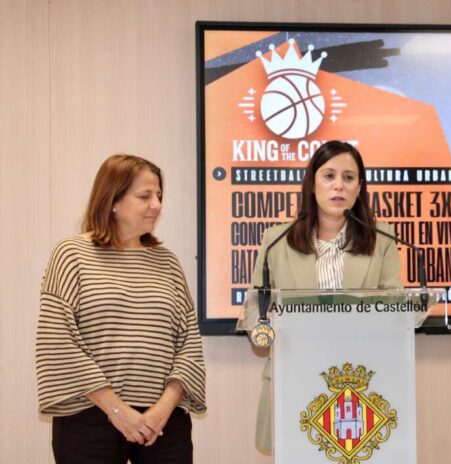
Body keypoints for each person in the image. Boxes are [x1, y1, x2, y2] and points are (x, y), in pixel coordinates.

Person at [36, 154, 206, 464]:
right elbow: (58, 340)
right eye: (144, 196)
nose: (156, 204)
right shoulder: (72, 254)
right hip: (89, 417)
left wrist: (162, 410)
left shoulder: (167, 263)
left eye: (159, 196)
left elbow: (189, 344)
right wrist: (117, 410)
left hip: (163, 424)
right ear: (112, 200)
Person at [237, 140, 403, 454]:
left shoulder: (381, 237)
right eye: (329, 176)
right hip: (294, 376)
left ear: (359, 188)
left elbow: (394, 306)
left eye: (348, 177)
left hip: (361, 381)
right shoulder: (277, 240)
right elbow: (254, 304)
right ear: (312, 183)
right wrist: (258, 329)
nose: (338, 185)